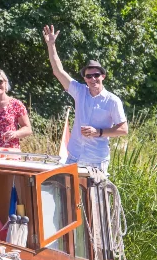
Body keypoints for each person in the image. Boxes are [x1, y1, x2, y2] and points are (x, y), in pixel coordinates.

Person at [42, 26, 128, 170]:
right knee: (67, 193)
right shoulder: (80, 91)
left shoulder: (112, 100)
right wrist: (51, 45)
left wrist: (98, 132)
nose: (93, 79)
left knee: (93, 194)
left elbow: (123, 129)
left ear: (103, 76)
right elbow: (58, 71)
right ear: (85, 79)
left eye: (96, 75)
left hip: (96, 160)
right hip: (74, 156)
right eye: (89, 76)